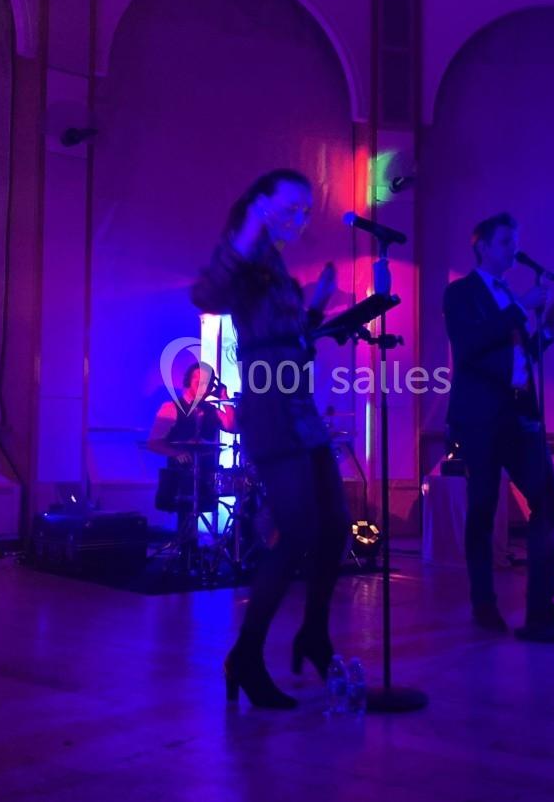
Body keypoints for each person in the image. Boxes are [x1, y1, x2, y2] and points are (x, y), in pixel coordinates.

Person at [191, 168, 348, 709]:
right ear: (260, 202)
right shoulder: (246, 251)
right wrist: (249, 227)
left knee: (335, 530)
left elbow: (289, 342)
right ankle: (247, 655)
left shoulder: (275, 264)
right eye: (290, 206)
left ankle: (314, 635)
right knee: (301, 530)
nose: (300, 218)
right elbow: (205, 292)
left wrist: (318, 309)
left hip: (296, 399)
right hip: (270, 404)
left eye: (307, 210)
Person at [442, 212, 554, 642]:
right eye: (506, 241)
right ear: (482, 246)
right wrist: (522, 308)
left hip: (520, 410)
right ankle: (483, 602)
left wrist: (550, 329)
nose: (513, 250)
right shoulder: (461, 293)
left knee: (550, 501)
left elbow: (524, 358)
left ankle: (541, 608)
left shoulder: (507, 293)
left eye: (515, 242)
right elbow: (469, 347)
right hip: (481, 415)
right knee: (484, 508)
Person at [146, 362, 237, 535]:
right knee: (185, 518)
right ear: (189, 381)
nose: (202, 384)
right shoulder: (171, 407)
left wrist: (224, 397)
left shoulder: (212, 410)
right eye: (198, 379)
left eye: (207, 381)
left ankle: (193, 555)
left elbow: (232, 426)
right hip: (181, 476)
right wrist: (176, 453)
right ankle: (185, 555)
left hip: (205, 474)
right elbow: (154, 442)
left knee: (196, 518)